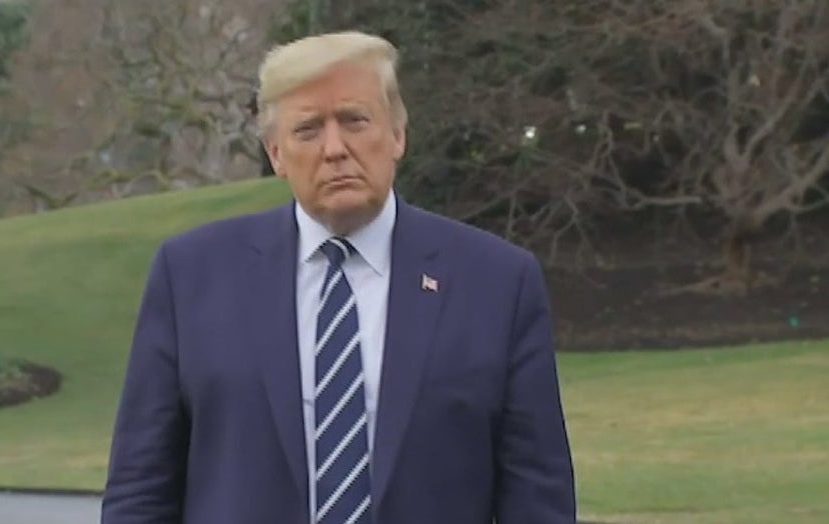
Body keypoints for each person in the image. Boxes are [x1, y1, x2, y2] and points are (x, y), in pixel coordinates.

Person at [101, 31, 575, 524]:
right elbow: (140, 489)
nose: (334, 148)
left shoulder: (496, 283)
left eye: (354, 120)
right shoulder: (192, 276)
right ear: (276, 153)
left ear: (397, 135)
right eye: (307, 129)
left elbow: (538, 497)